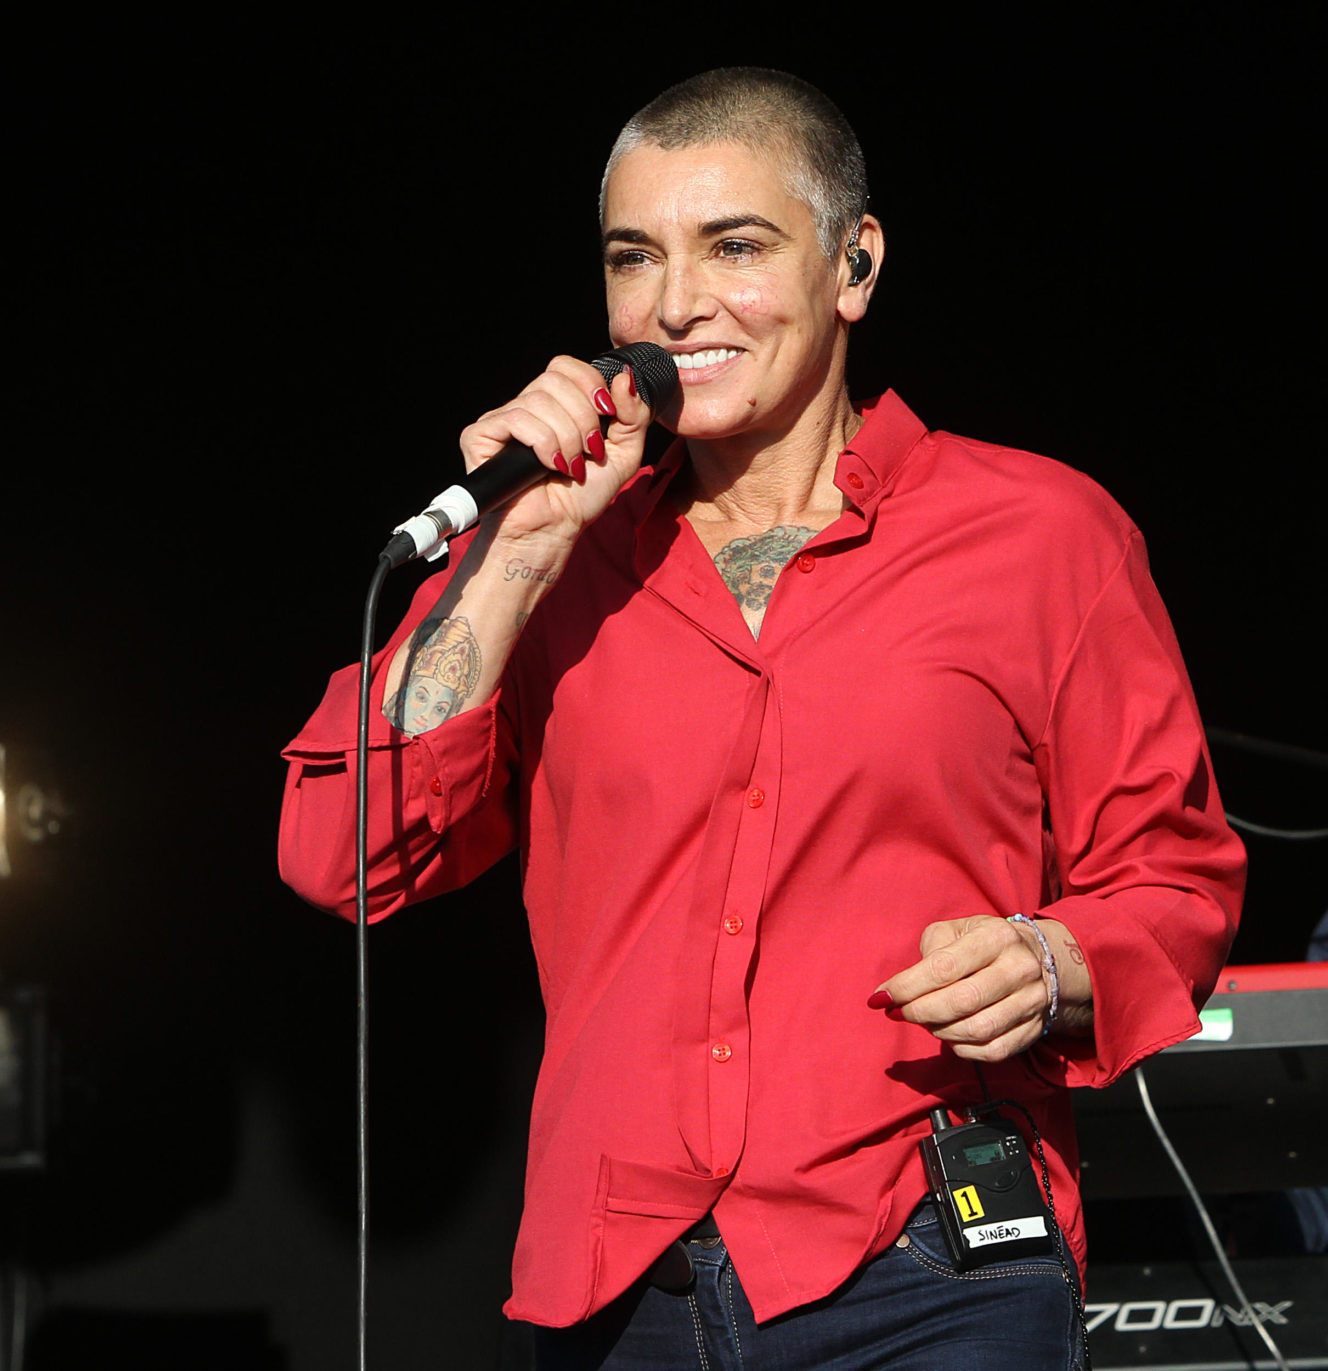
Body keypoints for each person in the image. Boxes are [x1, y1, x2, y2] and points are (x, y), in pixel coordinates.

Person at [278, 67, 1244, 1370]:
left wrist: (1048, 960)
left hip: (929, 1263)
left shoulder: (1039, 536)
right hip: (624, 1290)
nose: (676, 303)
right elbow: (340, 854)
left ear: (854, 264)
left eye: (734, 245)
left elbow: (1176, 881)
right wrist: (510, 554)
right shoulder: (552, 558)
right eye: (636, 257)